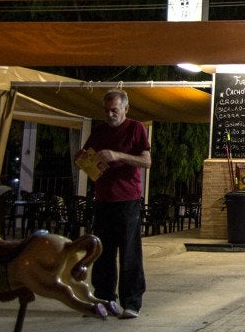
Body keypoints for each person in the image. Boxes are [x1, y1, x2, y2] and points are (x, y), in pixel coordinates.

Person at [74, 89, 151, 319]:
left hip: (128, 200)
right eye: (107, 110)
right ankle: (105, 298)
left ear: (125, 108)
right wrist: (85, 162)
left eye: (115, 110)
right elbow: (84, 158)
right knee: (102, 253)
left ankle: (132, 302)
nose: (110, 115)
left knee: (129, 253)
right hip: (103, 199)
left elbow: (146, 161)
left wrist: (117, 156)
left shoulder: (136, 129)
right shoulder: (98, 131)